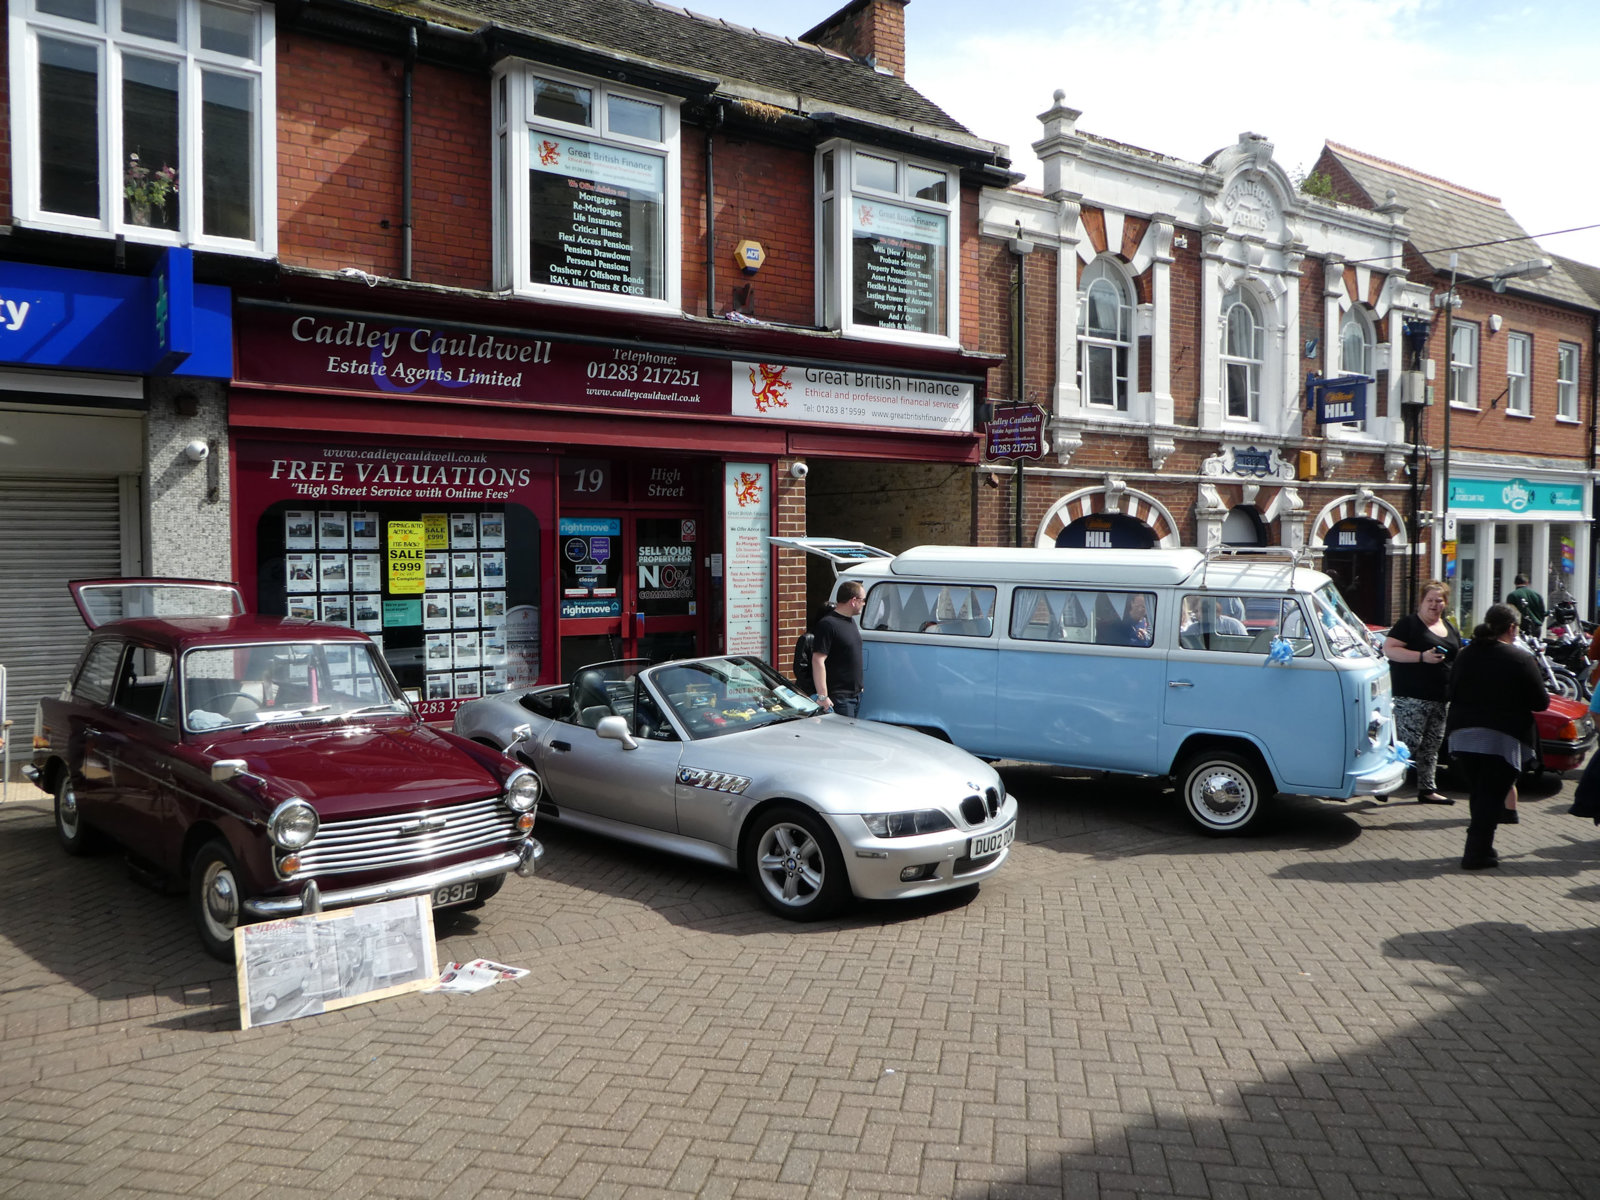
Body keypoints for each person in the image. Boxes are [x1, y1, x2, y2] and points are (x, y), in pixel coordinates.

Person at [1444, 603, 1550, 870]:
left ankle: (1483, 848)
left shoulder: (1465, 654)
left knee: (1480, 792)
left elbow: (1451, 690)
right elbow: (1540, 702)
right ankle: (1475, 854)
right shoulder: (1520, 659)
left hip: (1463, 734)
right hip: (1501, 738)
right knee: (1491, 796)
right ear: (1512, 628)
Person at [1383, 581, 1462, 805]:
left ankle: (1427, 790)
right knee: (1408, 743)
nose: (1434, 605)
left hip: (1440, 698)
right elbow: (1389, 649)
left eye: (1439, 601)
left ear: (1445, 603)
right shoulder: (1409, 624)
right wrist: (1421, 657)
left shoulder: (1448, 625)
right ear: (1421, 601)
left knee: (1432, 745)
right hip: (1412, 696)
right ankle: (1385, 784)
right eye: (1430, 600)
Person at [811, 580, 866, 717]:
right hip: (840, 698)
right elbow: (818, 660)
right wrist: (822, 696)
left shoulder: (850, 621)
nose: (864, 604)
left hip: (855, 695)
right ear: (853, 600)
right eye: (863, 600)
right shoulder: (828, 624)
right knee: (843, 737)